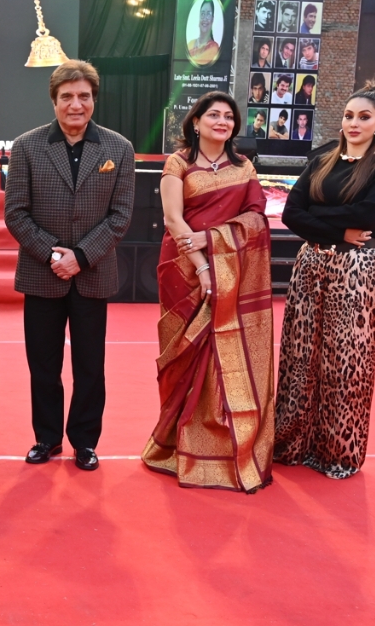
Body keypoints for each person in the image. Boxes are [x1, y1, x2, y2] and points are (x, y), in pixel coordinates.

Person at [5, 60, 135, 471]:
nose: (75, 105)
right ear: (54, 101)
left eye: (83, 96)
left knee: (89, 367)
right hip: (41, 274)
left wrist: (80, 256)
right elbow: (15, 213)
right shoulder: (26, 146)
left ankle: (85, 441)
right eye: (67, 97)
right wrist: (53, 254)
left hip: (92, 274)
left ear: (94, 99)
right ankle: (46, 438)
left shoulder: (119, 148)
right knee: (43, 365)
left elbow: (121, 215)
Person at [141, 91, 273, 493]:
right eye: (213, 115)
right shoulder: (179, 163)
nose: (222, 121)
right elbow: (172, 219)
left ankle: (220, 444)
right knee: (183, 356)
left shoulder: (244, 167)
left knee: (222, 355)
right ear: (196, 122)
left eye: (229, 117)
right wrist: (202, 266)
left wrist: (213, 241)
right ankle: (174, 442)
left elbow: (256, 217)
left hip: (230, 270)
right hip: (183, 269)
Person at [274, 84, 375, 480]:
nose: (353, 123)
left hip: (356, 270)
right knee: (300, 358)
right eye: (349, 116)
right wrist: (338, 230)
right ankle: (292, 445)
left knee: (346, 363)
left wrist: (320, 217)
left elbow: (368, 214)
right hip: (310, 265)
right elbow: (291, 213)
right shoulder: (321, 159)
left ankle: (338, 452)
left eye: (364, 117)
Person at [188, 0, 220, 67]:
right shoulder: (190, 44)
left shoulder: (214, 48)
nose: (205, 18)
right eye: (202, 14)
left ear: (212, 19)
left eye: (208, 14)